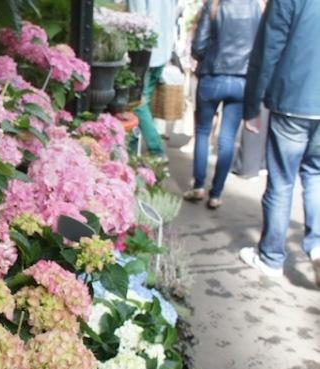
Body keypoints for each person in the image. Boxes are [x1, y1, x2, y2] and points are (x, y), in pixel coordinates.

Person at [239, 0, 320, 284]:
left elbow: (267, 51)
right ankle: (318, 244)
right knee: (316, 176)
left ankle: (271, 257)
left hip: (292, 101)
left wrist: (251, 107)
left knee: (282, 182)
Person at [182, 0, 262, 209]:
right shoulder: (257, 7)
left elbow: (198, 46)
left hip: (212, 76)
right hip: (242, 80)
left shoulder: (215, 4)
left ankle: (199, 186)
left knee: (202, 131)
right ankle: (216, 194)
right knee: (227, 138)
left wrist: (206, 54)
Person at [128, 0, 178, 159]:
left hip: (145, 54)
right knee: (144, 102)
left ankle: (156, 149)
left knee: (137, 103)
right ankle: (137, 146)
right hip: (162, 51)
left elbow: (138, 21)